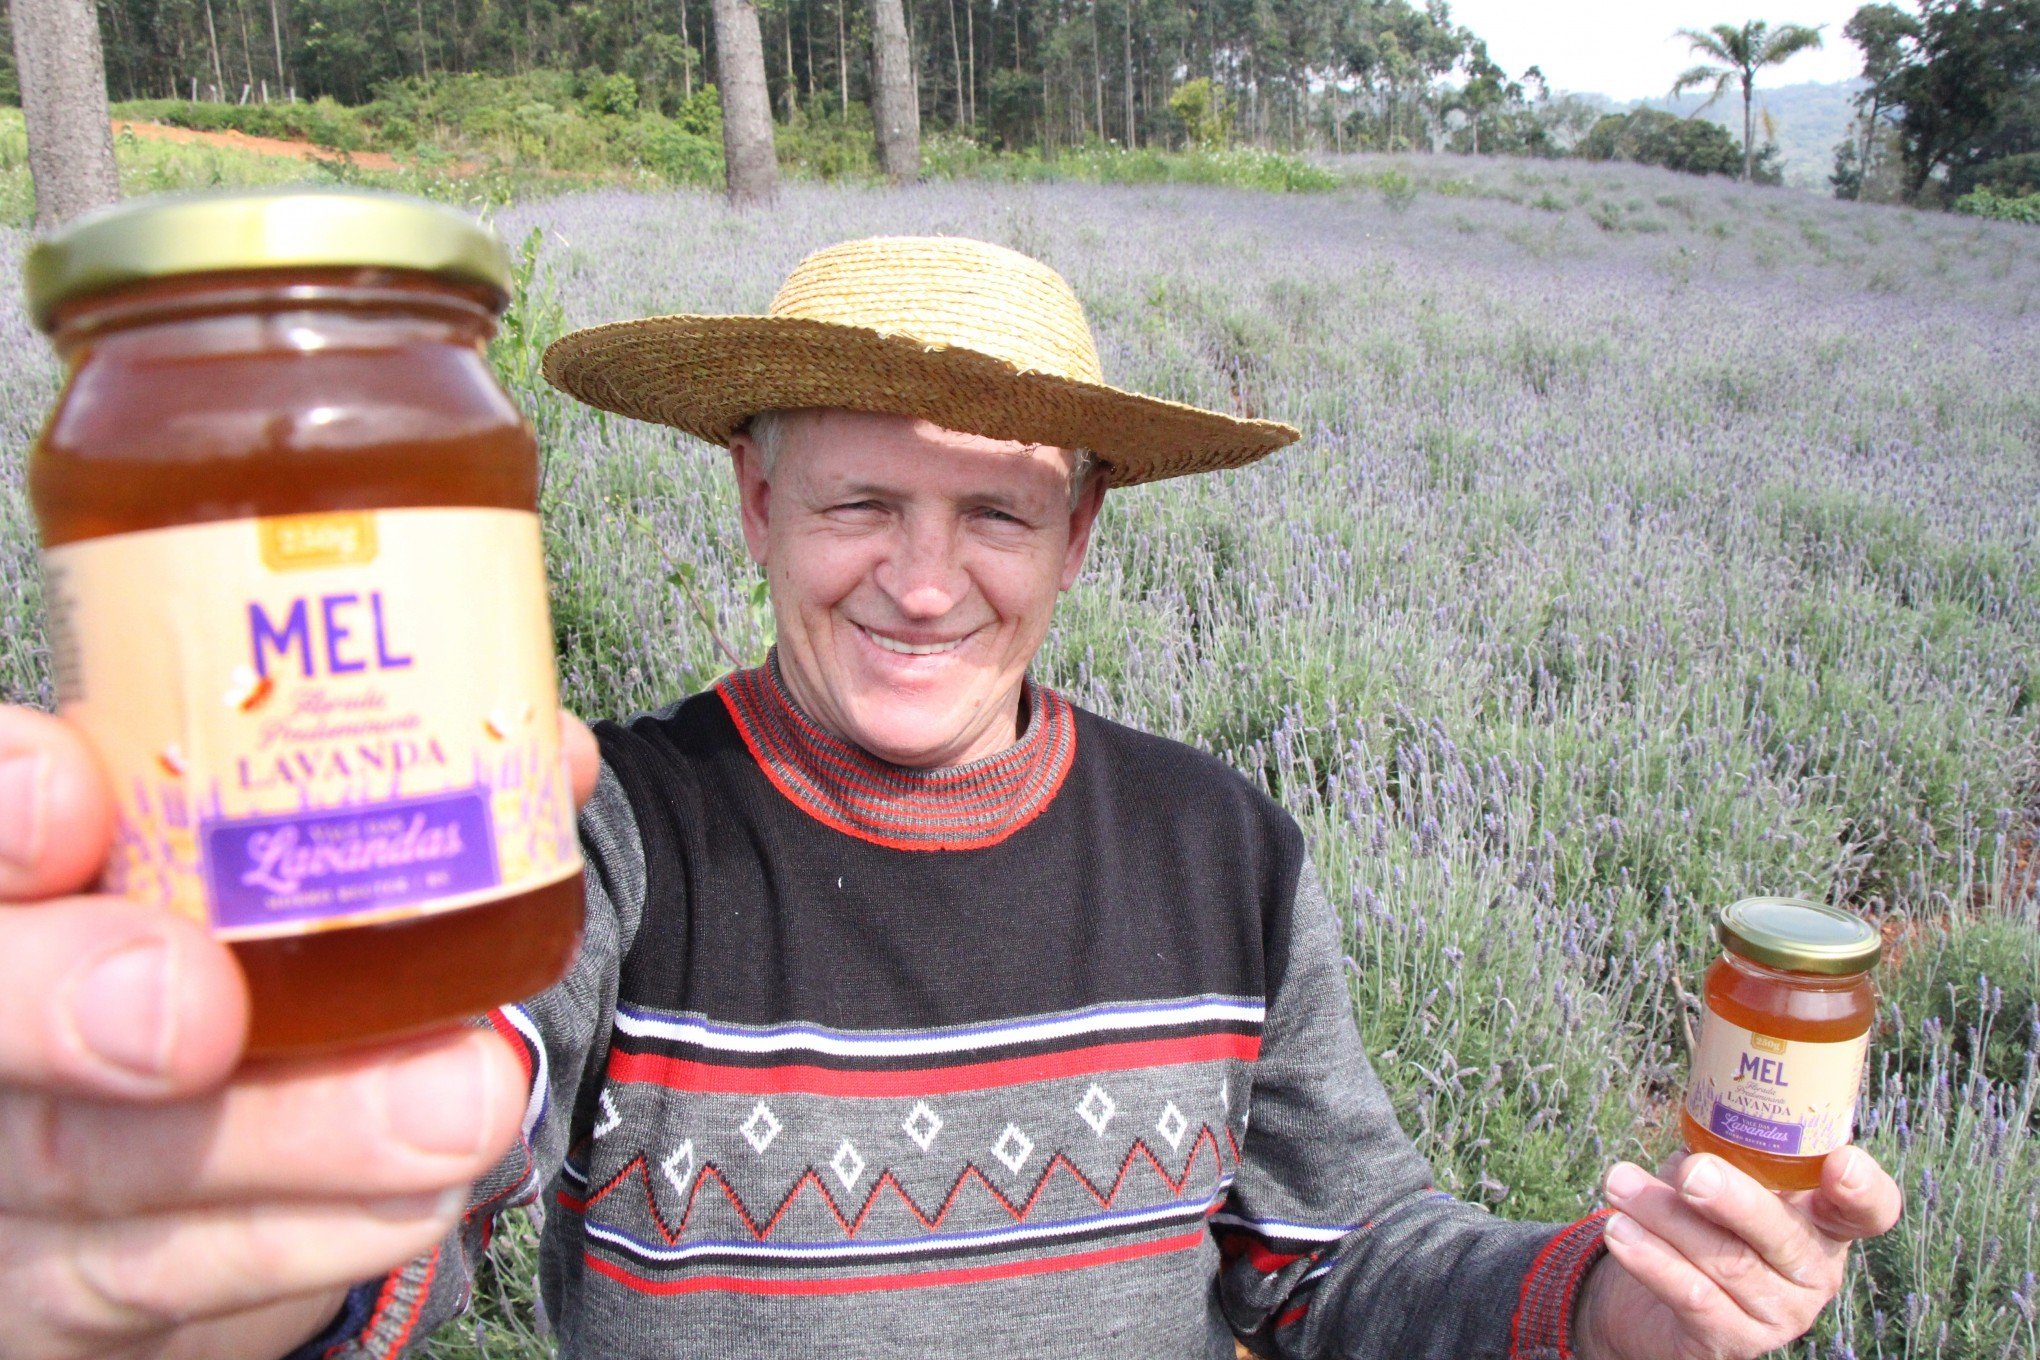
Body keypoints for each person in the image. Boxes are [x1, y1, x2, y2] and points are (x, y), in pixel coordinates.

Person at [0, 235, 1900, 1360]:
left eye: (994, 508)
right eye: (855, 505)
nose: (924, 581)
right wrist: (197, 1262)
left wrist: (1631, 1312)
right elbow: (418, 1164)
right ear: (751, 505)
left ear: (1078, 533)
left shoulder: (1215, 844)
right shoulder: (611, 833)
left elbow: (1339, 1261)